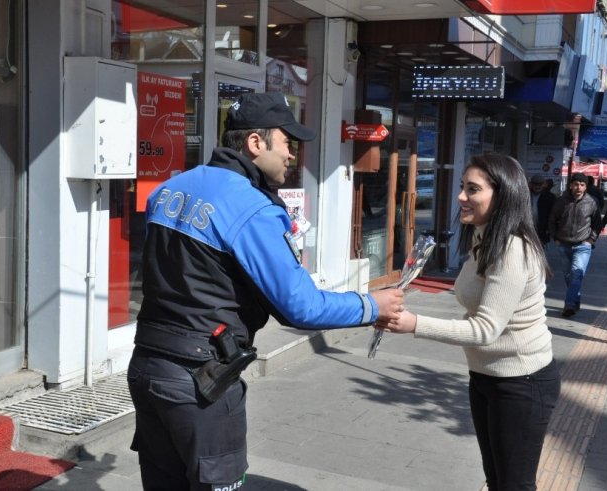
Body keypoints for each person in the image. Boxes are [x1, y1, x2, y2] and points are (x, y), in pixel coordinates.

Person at [127, 92, 405, 491]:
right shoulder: (251, 209)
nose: (292, 155)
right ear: (256, 144)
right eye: (287, 143)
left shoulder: (171, 189)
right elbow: (300, 307)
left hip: (148, 367)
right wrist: (370, 304)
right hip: (201, 379)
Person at [378, 154, 560, 490]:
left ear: (502, 195)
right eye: (462, 187)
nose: (461, 196)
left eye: (472, 189)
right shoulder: (483, 237)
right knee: (496, 481)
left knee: (514, 485)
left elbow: (484, 330)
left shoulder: (512, 249)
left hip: (522, 380)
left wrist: (414, 323)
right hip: (486, 376)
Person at [548, 172, 602, 317]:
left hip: (583, 246)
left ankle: (569, 305)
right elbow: (552, 220)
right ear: (571, 185)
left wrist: (590, 240)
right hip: (563, 244)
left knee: (576, 274)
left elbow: (597, 224)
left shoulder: (592, 202)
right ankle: (575, 299)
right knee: (568, 276)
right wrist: (555, 238)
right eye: (576, 184)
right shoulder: (561, 201)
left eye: (582, 185)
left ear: (586, 187)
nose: (579, 187)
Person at [528, 174, 556, 246]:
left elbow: (554, 214)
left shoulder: (550, 197)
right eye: (535, 184)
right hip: (528, 228)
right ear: (531, 184)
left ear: (543, 184)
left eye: (540, 184)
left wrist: (550, 229)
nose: (537, 186)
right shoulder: (525, 194)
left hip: (542, 230)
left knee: (541, 252)